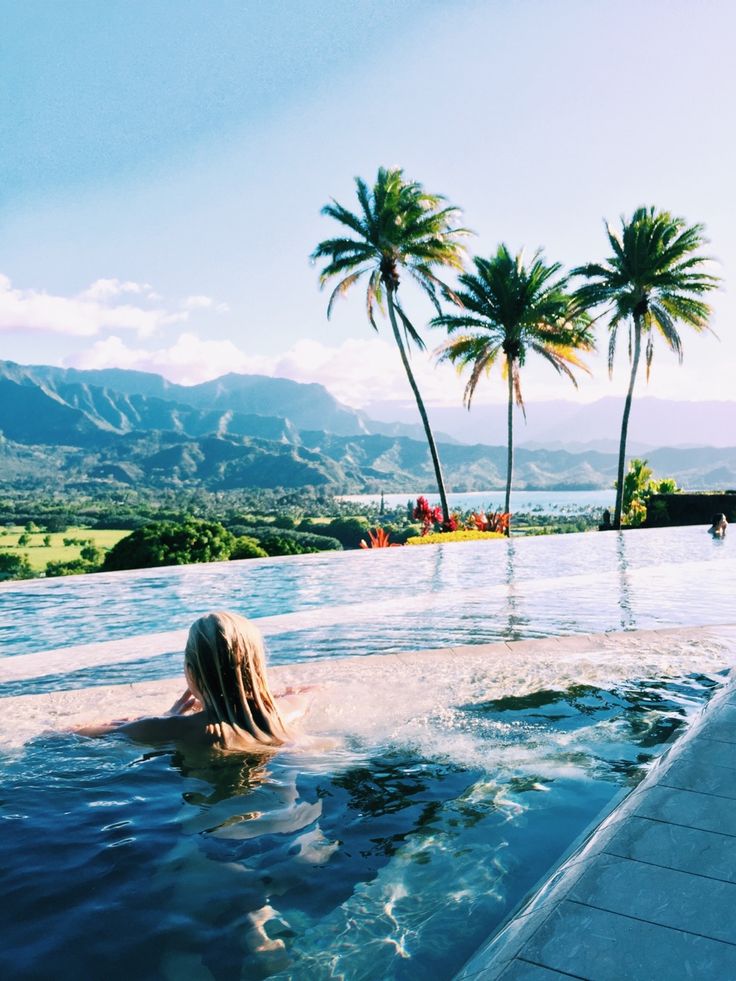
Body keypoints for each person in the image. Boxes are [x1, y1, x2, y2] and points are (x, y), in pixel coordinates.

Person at [77, 611, 306, 751]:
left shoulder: (169, 728)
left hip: (203, 824)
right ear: (257, 668)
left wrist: (165, 718)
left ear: (191, 671)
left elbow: (70, 733)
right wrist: (273, 697)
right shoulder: (285, 713)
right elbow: (312, 691)